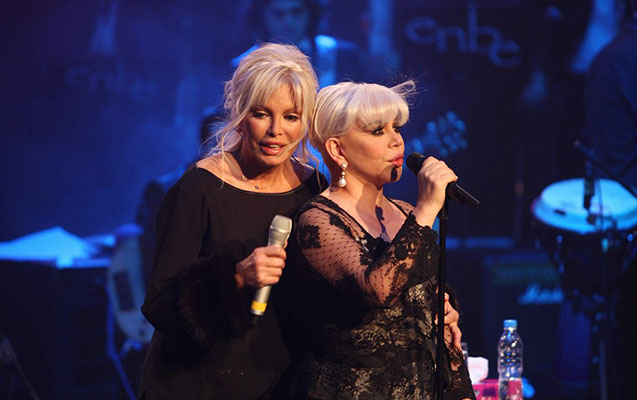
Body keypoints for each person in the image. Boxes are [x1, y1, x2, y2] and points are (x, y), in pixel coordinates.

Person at [139, 43, 325, 400]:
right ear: (239, 112)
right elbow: (159, 304)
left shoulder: (313, 188)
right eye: (261, 114)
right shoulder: (199, 188)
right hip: (199, 386)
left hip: (278, 382)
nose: (276, 130)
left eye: (291, 117)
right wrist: (236, 278)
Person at [288, 81, 475, 399]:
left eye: (396, 128)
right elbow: (377, 289)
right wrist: (427, 208)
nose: (396, 140)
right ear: (337, 149)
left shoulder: (407, 214)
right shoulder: (317, 219)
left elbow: (431, 315)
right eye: (378, 131)